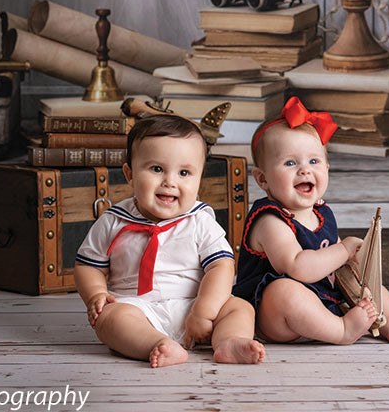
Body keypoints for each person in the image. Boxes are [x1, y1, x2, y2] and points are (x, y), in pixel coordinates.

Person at [233, 96, 389, 345]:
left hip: (324, 299)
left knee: (365, 282)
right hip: (274, 318)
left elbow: (335, 262)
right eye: (290, 163)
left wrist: (353, 262)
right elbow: (298, 267)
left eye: (314, 161)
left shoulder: (323, 214)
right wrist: (342, 249)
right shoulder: (270, 219)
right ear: (262, 179)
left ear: (327, 168)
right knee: (284, 292)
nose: (305, 170)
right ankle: (341, 330)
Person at [74, 114, 266, 368]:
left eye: (184, 172)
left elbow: (221, 267)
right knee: (111, 319)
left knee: (240, 308)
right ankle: (155, 344)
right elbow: (88, 266)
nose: (170, 181)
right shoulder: (113, 221)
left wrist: (204, 313)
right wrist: (96, 295)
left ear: (199, 179)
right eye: (156, 169)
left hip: (195, 304)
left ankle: (229, 341)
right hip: (138, 309)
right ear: (129, 174)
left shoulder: (200, 221)